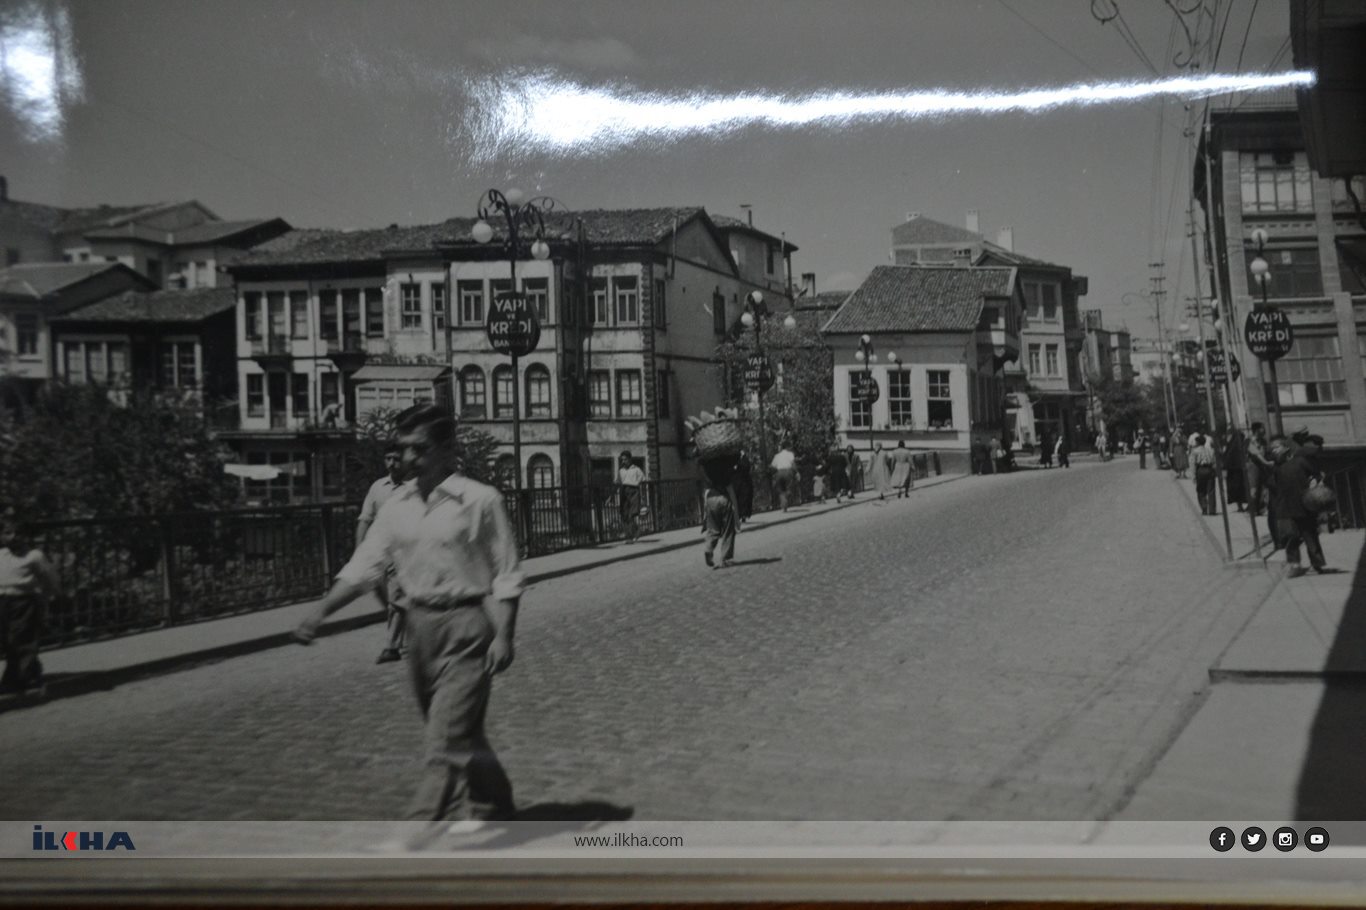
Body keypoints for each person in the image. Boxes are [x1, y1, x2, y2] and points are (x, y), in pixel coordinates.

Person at [293, 404, 524, 828]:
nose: (408, 459)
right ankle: (496, 806)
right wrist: (319, 613)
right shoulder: (395, 506)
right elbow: (364, 567)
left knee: (444, 740)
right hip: (419, 631)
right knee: (462, 732)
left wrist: (504, 635)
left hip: (467, 626)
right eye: (403, 449)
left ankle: (417, 834)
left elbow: (506, 573)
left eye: (420, 449)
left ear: (447, 449)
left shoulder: (480, 500)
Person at [360, 443, 409, 664]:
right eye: (388, 458)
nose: (392, 463)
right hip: (380, 551)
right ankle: (406, 635)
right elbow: (365, 519)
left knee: (397, 598)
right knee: (388, 597)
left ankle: (391, 646)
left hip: (405, 551)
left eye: (396, 459)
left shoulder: (413, 488)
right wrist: (360, 550)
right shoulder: (377, 487)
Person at [0, 518, 61, 694]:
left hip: (24, 601)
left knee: (22, 638)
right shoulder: (1, 555)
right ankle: (31, 670)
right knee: (7, 640)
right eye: (8, 533)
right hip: (3, 601)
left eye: (19, 534)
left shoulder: (34, 555)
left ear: (26, 536)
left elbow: (49, 577)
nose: (13, 537)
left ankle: (17, 680)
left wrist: (52, 596)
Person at [1269, 433, 1327, 577]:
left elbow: (1317, 474)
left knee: (1310, 535)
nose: (1274, 451)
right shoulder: (1276, 469)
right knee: (1291, 538)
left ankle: (1317, 564)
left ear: (1286, 449)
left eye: (1276, 448)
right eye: (1272, 450)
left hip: (1304, 505)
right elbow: (1273, 487)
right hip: (1287, 507)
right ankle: (1294, 564)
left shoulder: (1300, 461)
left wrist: (1316, 484)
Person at [699, 456, 739, 569]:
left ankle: (708, 548)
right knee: (728, 530)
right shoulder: (725, 471)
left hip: (711, 498)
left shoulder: (707, 471)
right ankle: (724, 559)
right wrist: (736, 512)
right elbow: (731, 491)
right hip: (723, 499)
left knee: (712, 528)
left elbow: (705, 491)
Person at [617, 451, 645, 542]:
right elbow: (617, 482)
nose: (623, 461)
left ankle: (631, 535)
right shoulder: (621, 471)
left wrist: (642, 494)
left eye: (625, 459)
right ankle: (633, 532)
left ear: (630, 459)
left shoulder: (636, 469)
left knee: (632, 514)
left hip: (633, 491)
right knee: (624, 513)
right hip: (623, 492)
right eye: (622, 460)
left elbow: (642, 480)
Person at [1246, 422, 1272, 516]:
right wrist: (1266, 462)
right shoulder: (1250, 441)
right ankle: (1252, 509)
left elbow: (1267, 452)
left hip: (1263, 466)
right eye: (1262, 428)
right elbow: (1256, 454)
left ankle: (1260, 508)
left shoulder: (1263, 441)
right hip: (1253, 466)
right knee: (1254, 489)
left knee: (1263, 488)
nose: (1264, 430)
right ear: (1257, 430)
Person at [1191, 433, 1218, 515]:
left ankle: (1204, 508)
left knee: (1201, 490)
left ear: (1198, 443)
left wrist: (1193, 476)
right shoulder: (1210, 450)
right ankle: (1212, 510)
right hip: (1209, 469)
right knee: (1211, 490)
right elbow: (1214, 462)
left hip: (1200, 470)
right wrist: (1215, 472)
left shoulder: (1195, 451)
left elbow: (1193, 464)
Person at [1223, 427, 1248, 512]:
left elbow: (1225, 458)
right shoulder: (1241, 446)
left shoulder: (1230, 446)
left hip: (1232, 472)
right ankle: (1241, 506)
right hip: (1239, 471)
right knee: (1241, 488)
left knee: (1236, 489)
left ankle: (1239, 506)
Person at [770, 444, 798, 512]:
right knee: (789, 487)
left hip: (779, 472)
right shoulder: (790, 454)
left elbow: (772, 466)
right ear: (787, 447)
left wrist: (774, 474)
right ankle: (786, 499)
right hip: (788, 472)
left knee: (781, 489)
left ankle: (783, 504)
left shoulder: (777, 456)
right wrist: (796, 472)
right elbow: (793, 463)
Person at [733, 449, 754, 523]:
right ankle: (741, 515)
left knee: (744, 498)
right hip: (740, 481)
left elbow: (746, 467)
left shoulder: (742, 459)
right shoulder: (739, 459)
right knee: (741, 498)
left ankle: (743, 515)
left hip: (742, 481)